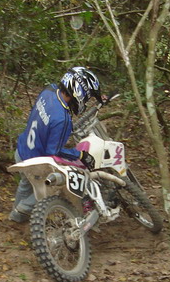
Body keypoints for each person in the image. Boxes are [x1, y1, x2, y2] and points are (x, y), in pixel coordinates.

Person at [9, 67, 103, 223]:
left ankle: (15, 218)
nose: (86, 102)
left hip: (22, 151)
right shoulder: (62, 119)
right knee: (55, 188)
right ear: (79, 92)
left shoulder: (49, 91)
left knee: (25, 184)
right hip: (35, 163)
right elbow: (53, 151)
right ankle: (22, 212)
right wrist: (80, 155)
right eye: (87, 98)